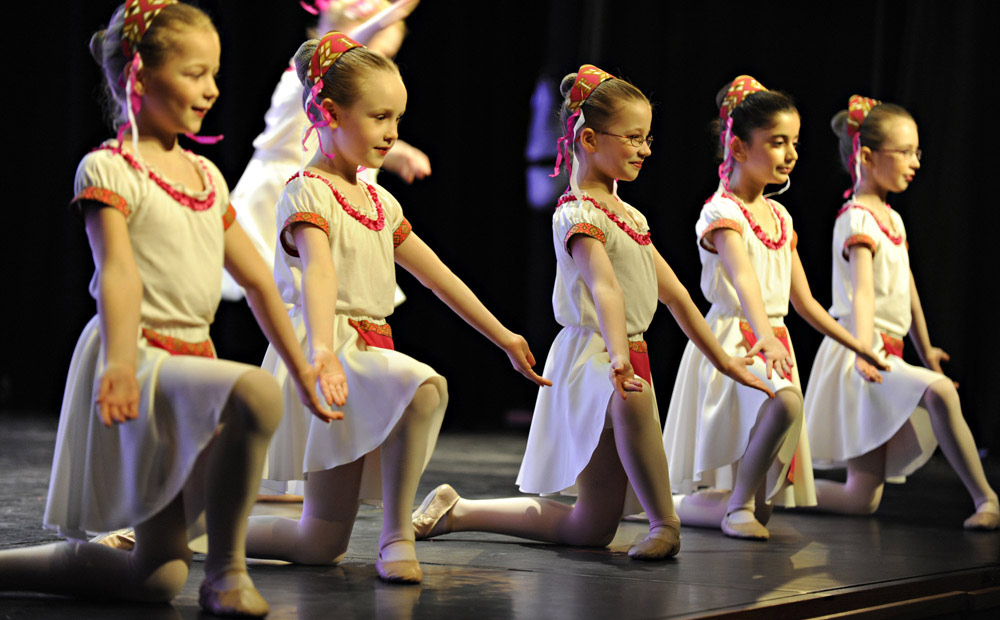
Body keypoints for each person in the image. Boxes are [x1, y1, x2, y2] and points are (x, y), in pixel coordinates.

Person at [0, 2, 341, 616]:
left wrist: (305, 368)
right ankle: (228, 575)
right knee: (255, 395)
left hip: (190, 358)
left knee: (154, 578)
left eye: (214, 73)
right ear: (137, 75)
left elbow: (261, 284)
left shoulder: (206, 175)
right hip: (141, 356)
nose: (210, 89)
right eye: (193, 73)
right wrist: (123, 364)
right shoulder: (108, 167)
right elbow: (119, 276)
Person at [410, 65, 773, 561]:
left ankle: (460, 510)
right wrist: (620, 356)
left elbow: (678, 297)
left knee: (591, 528)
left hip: (625, 354)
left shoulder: (631, 217)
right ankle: (665, 522)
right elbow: (606, 290)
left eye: (647, 138)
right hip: (594, 356)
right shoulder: (577, 213)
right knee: (631, 398)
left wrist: (724, 360)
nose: (645, 149)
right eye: (633, 137)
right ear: (587, 138)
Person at [242, 32, 550, 584]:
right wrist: (320, 354)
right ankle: (397, 536)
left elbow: (438, 278)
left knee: (319, 542)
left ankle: (199, 522)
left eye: (399, 120)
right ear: (327, 112)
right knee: (425, 385)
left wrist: (503, 335)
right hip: (331, 347)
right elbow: (319, 272)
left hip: (367, 347)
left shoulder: (379, 201)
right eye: (380, 116)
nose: (392, 133)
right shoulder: (306, 191)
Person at [662, 76, 887, 540]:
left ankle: (662, 505)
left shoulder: (780, 217)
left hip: (772, 338)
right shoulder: (721, 212)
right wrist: (763, 336)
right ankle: (733, 505)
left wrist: (859, 346)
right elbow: (743, 278)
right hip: (734, 340)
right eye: (778, 142)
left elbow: (803, 302)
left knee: (765, 507)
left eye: (795, 143)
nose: (791, 153)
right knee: (782, 403)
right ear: (739, 148)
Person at [803, 96, 998, 530]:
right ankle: (986, 499)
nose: (915, 162)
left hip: (883, 350)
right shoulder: (857, 219)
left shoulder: (891, 218)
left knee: (860, 498)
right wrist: (864, 349)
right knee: (941, 393)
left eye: (917, 152)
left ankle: (769, 490)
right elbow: (865, 295)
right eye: (905, 152)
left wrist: (926, 350)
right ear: (868, 157)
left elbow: (907, 289)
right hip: (863, 350)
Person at [222, 0, 428, 303]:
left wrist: (399, 154)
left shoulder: (356, 104)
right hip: (281, 208)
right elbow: (338, 58)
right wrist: (390, 13)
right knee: (282, 298)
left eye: (387, 57)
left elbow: (347, 138)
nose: (380, 69)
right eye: (373, 55)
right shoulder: (300, 82)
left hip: (334, 205)